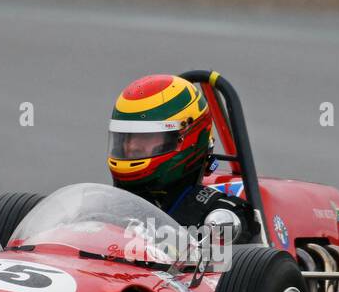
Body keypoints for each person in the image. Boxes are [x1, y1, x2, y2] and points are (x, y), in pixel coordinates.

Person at [107, 73, 259, 242]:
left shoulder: (220, 219)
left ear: (187, 139)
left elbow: (230, 265)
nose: (132, 147)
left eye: (146, 138)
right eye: (126, 138)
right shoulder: (104, 209)